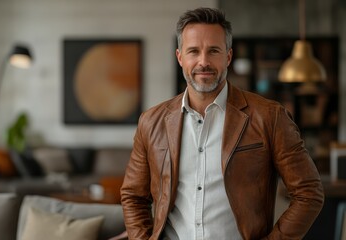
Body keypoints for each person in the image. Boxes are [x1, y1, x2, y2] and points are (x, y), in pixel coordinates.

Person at [120, 7, 324, 240]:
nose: (203, 62)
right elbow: (133, 196)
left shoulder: (270, 117)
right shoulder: (151, 122)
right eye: (193, 51)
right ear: (180, 57)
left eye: (213, 51)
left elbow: (309, 193)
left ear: (228, 56)